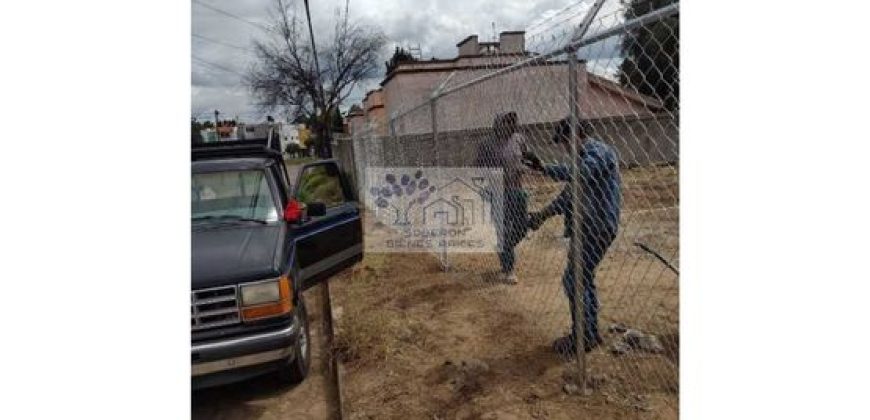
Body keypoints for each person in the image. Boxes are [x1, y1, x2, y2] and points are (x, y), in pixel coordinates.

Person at [524, 118, 622, 356]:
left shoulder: (598, 152)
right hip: (586, 226)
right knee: (581, 278)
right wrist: (541, 215)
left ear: (577, 135)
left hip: (597, 226)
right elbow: (567, 197)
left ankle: (584, 337)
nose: (564, 147)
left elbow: (581, 173)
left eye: (565, 141)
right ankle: (588, 333)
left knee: (575, 279)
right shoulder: (581, 158)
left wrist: (547, 168)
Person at [475, 112, 529, 284]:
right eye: (507, 122)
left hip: (517, 190)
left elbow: (527, 157)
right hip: (497, 193)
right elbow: (477, 169)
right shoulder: (486, 144)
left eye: (513, 122)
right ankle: (508, 269)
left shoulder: (519, 139)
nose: (511, 125)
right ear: (498, 124)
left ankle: (504, 247)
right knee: (503, 229)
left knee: (522, 227)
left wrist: (524, 166)